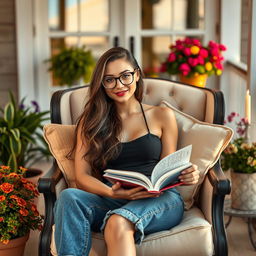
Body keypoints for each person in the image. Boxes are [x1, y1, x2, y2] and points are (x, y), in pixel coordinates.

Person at [54, 47, 200, 256]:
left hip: (159, 200)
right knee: (68, 197)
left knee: (118, 222)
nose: (119, 85)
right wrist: (111, 192)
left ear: (137, 74)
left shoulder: (162, 115)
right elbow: (81, 176)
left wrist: (188, 173)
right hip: (112, 196)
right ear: (102, 84)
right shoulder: (91, 122)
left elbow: (170, 167)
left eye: (125, 76)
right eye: (110, 79)